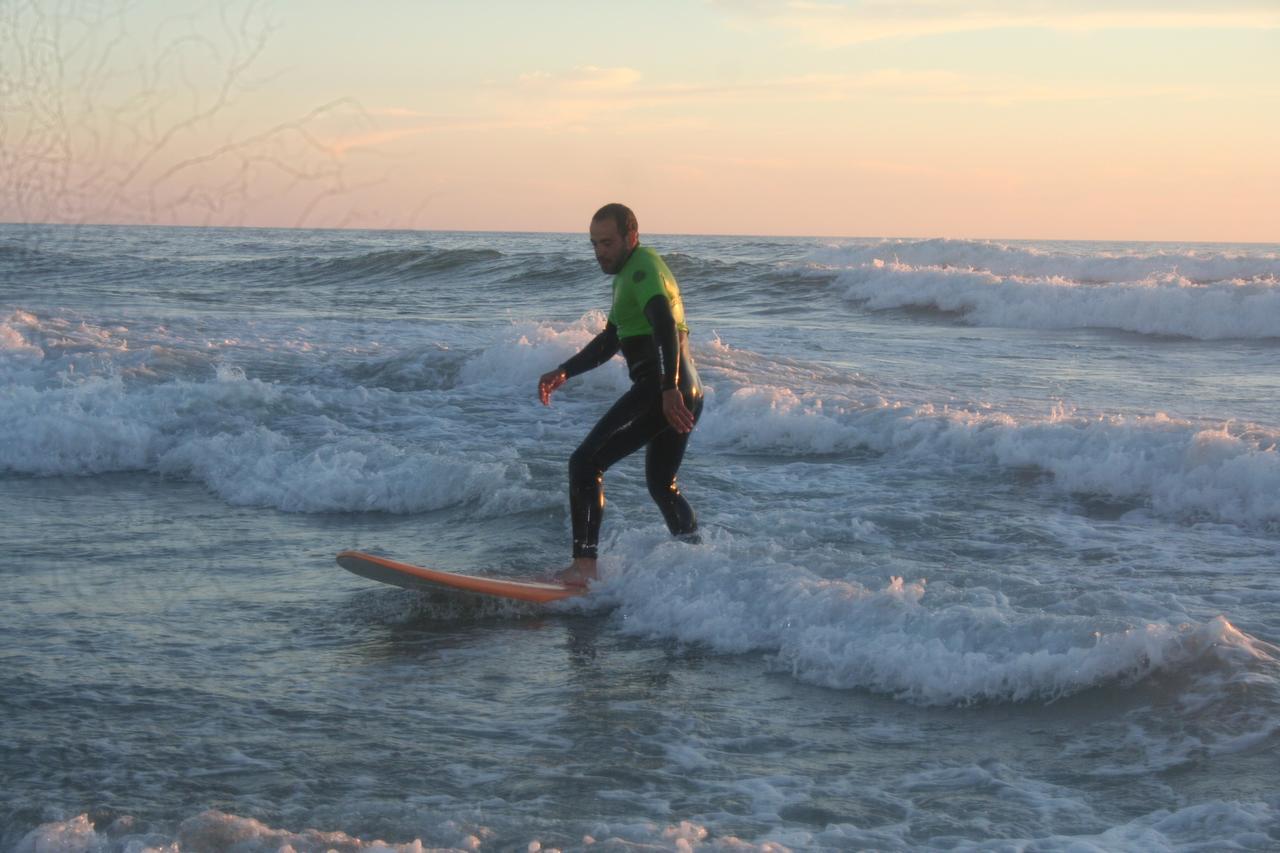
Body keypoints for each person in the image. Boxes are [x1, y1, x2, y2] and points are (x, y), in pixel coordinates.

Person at [538, 203, 704, 587]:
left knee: (585, 463)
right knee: (662, 484)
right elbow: (611, 338)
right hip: (686, 387)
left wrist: (666, 390)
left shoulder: (642, 270)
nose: (600, 252)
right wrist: (565, 370)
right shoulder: (631, 274)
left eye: (608, 243)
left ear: (632, 236)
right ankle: (697, 566)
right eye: (594, 244)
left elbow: (663, 323)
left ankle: (583, 570)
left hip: (662, 388)